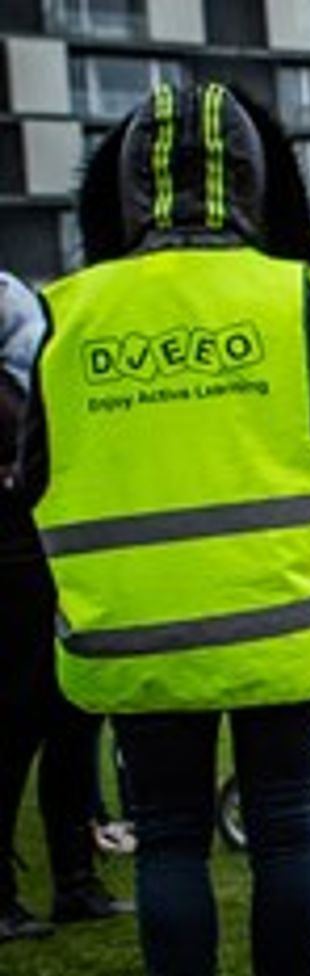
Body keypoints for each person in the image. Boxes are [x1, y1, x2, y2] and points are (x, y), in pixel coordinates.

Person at [13, 82, 310, 976]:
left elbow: (32, 473)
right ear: (258, 181)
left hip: (133, 626)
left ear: (125, 190)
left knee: (170, 838)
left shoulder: (71, 308)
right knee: (283, 831)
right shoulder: (287, 294)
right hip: (276, 610)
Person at [0, 270, 126, 942]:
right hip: (19, 574)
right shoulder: (18, 393)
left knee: (74, 721)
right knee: (21, 725)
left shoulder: (36, 381)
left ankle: (76, 879)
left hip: (60, 566)